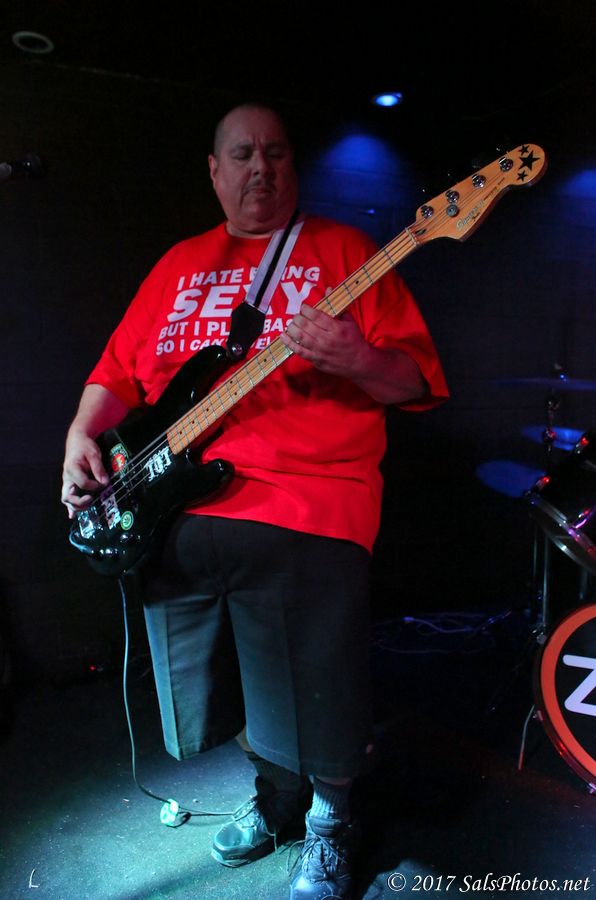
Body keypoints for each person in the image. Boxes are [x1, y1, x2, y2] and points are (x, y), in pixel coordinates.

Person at [61, 102, 449, 899]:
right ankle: (277, 794)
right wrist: (79, 434)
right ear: (215, 171)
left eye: (276, 153)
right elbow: (116, 373)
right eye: (242, 154)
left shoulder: (347, 252)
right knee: (217, 692)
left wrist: (358, 358)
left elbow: (413, 381)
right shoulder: (178, 264)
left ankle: (331, 823)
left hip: (309, 503)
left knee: (320, 687)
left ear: (293, 166)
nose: (260, 168)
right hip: (177, 509)